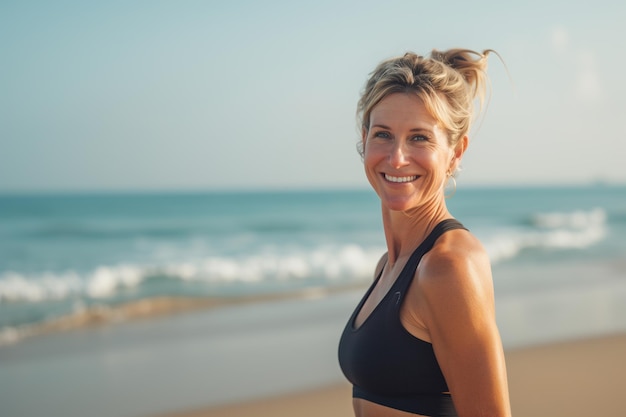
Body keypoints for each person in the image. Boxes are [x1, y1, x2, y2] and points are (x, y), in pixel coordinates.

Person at [338, 49, 511, 417]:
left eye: (419, 138)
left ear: (455, 153)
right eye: (383, 134)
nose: (397, 158)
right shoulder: (389, 266)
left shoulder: (448, 266)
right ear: (364, 139)